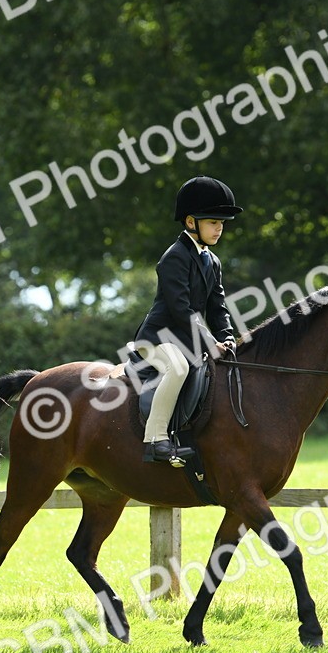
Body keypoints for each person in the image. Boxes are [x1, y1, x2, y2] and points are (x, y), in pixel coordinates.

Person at [133, 176, 240, 465]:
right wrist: (209, 342)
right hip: (157, 338)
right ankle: (155, 439)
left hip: (186, 340)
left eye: (222, 223)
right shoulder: (174, 257)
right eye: (213, 222)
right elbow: (181, 309)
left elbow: (217, 307)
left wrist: (227, 337)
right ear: (191, 222)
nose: (219, 228)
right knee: (178, 368)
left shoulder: (212, 261)